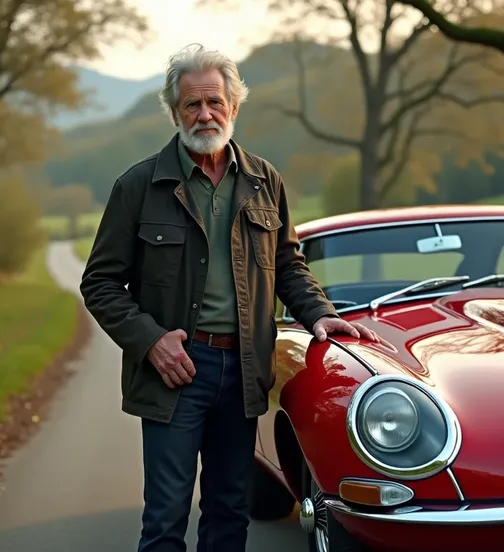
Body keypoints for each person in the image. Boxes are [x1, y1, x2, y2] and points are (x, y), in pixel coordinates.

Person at [79, 43, 379, 552]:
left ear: (234, 105)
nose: (205, 114)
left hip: (244, 369)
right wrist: (151, 341)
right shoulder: (137, 186)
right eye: (192, 104)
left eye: (215, 102)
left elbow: (289, 265)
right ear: (174, 112)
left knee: (228, 513)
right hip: (175, 370)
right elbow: (100, 284)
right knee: (166, 517)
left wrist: (321, 316)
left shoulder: (266, 182)